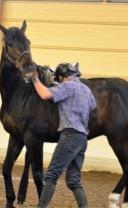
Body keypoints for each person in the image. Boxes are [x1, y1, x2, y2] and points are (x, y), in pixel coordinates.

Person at [31, 63, 96, 208]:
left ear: (62, 76)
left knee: (52, 174)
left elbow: (45, 94)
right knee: (73, 180)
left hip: (70, 136)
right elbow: (93, 107)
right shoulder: (87, 90)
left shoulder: (67, 86)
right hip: (82, 139)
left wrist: (35, 79)